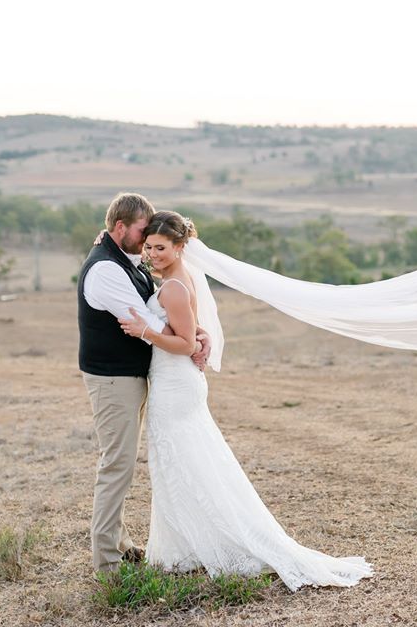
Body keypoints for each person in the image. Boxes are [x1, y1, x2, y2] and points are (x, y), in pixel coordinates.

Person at [119, 211, 374, 591]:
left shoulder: (173, 287)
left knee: (182, 463)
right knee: (186, 464)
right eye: (148, 247)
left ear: (179, 247)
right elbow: (188, 330)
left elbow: (184, 343)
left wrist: (144, 331)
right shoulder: (176, 281)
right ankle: (184, 547)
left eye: (160, 248)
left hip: (175, 385)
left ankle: (203, 547)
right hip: (176, 382)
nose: (152, 253)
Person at [77, 193, 209, 574]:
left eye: (156, 239)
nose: (147, 241)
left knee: (121, 462)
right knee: (116, 464)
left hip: (136, 376)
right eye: (142, 232)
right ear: (120, 228)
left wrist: (198, 334)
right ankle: (107, 562)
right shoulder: (105, 269)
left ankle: (120, 543)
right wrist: (190, 339)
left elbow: (167, 317)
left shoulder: (127, 261)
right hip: (112, 378)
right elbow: (146, 322)